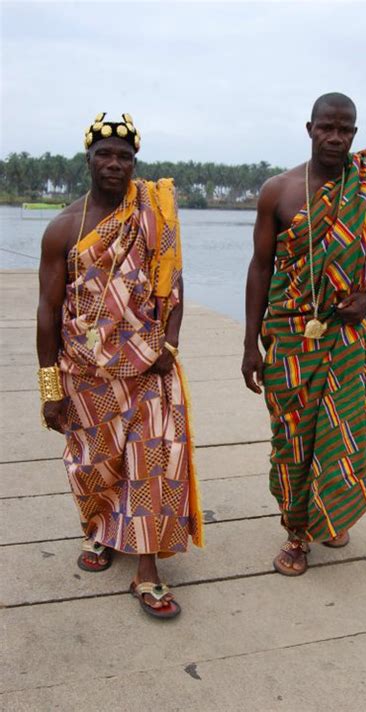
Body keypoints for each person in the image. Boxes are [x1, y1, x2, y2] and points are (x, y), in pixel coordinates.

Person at [242, 93, 366, 576]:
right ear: (310, 128)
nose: (335, 137)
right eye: (327, 127)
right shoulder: (278, 191)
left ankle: (332, 512)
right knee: (293, 440)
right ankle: (296, 535)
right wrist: (248, 345)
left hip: (348, 334)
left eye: (344, 129)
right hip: (291, 337)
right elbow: (260, 268)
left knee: (349, 433)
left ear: (354, 134)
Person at [37, 113, 203, 617]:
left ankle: (148, 569)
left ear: (135, 163)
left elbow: (172, 286)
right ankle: (104, 530)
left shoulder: (153, 214)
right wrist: (50, 387)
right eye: (104, 154)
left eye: (124, 156)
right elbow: (47, 309)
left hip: (150, 369)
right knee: (96, 466)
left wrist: (167, 348)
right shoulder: (64, 227)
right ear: (88, 160)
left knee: (154, 466)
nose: (114, 164)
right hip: (86, 375)